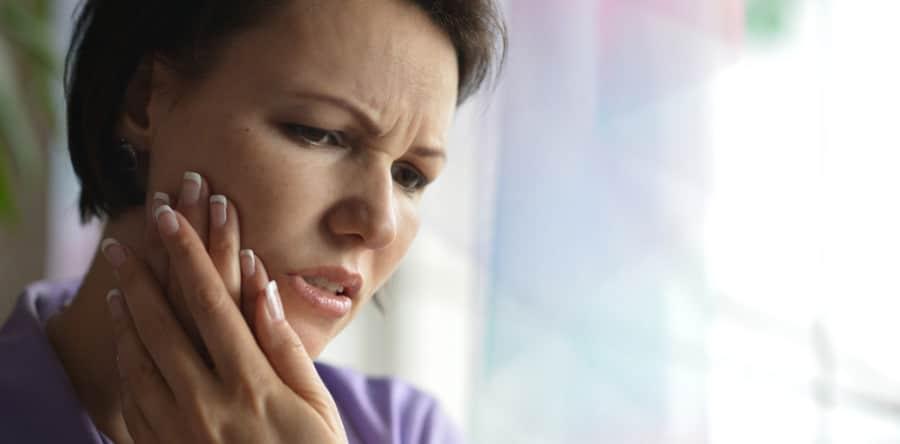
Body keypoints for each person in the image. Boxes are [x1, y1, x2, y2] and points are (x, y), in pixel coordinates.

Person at [0, 0, 506, 442]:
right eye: (319, 133)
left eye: (410, 176)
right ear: (144, 100)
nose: (379, 225)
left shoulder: (410, 431)